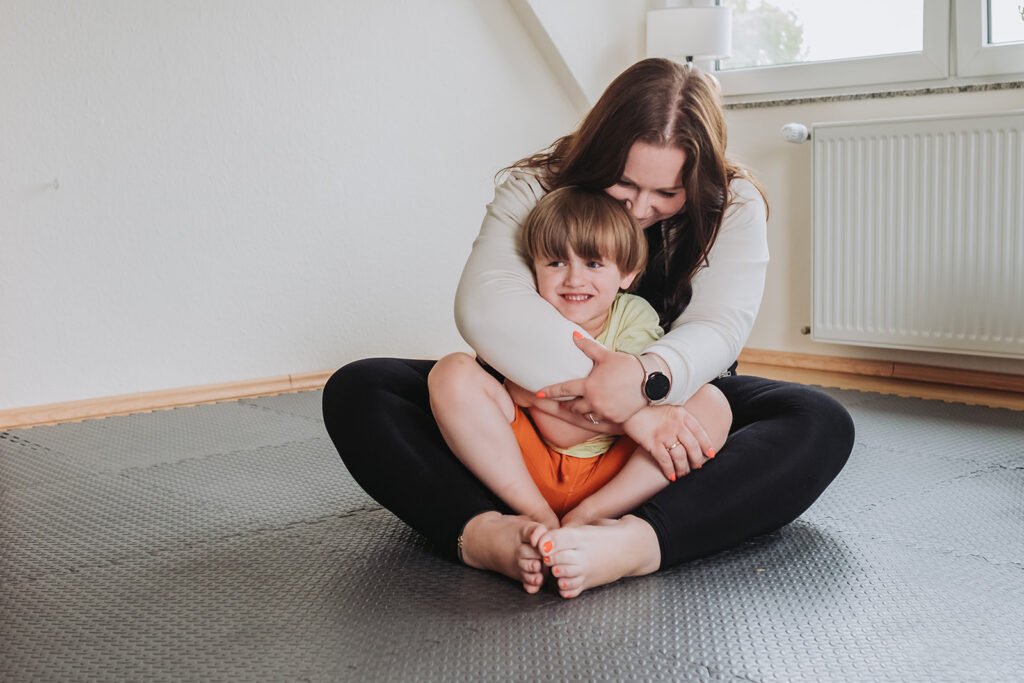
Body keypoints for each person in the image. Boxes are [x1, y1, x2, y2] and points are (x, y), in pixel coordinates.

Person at [322, 58, 854, 600]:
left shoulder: (731, 203)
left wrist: (644, 391)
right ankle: (485, 532)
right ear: (600, 153)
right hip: (534, 409)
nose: (642, 208)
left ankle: (636, 541)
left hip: (666, 414)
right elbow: (487, 307)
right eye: (624, 184)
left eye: (667, 194)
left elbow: (718, 328)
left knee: (820, 421)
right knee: (360, 388)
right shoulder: (534, 186)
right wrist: (628, 410)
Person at [427, 186, 732, 540]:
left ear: (627, 274)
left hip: (614, 475)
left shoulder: (635, 318)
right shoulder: (528, 316)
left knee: (713, 404)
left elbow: (568, 424)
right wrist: (623, 418)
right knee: (451, 372)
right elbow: (560, 433)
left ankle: (591, 514)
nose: (574, 278)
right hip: (524, 467)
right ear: (532, 269)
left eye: (593, 263)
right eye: (556, 263)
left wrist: (530, 398)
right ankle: (536, 514)